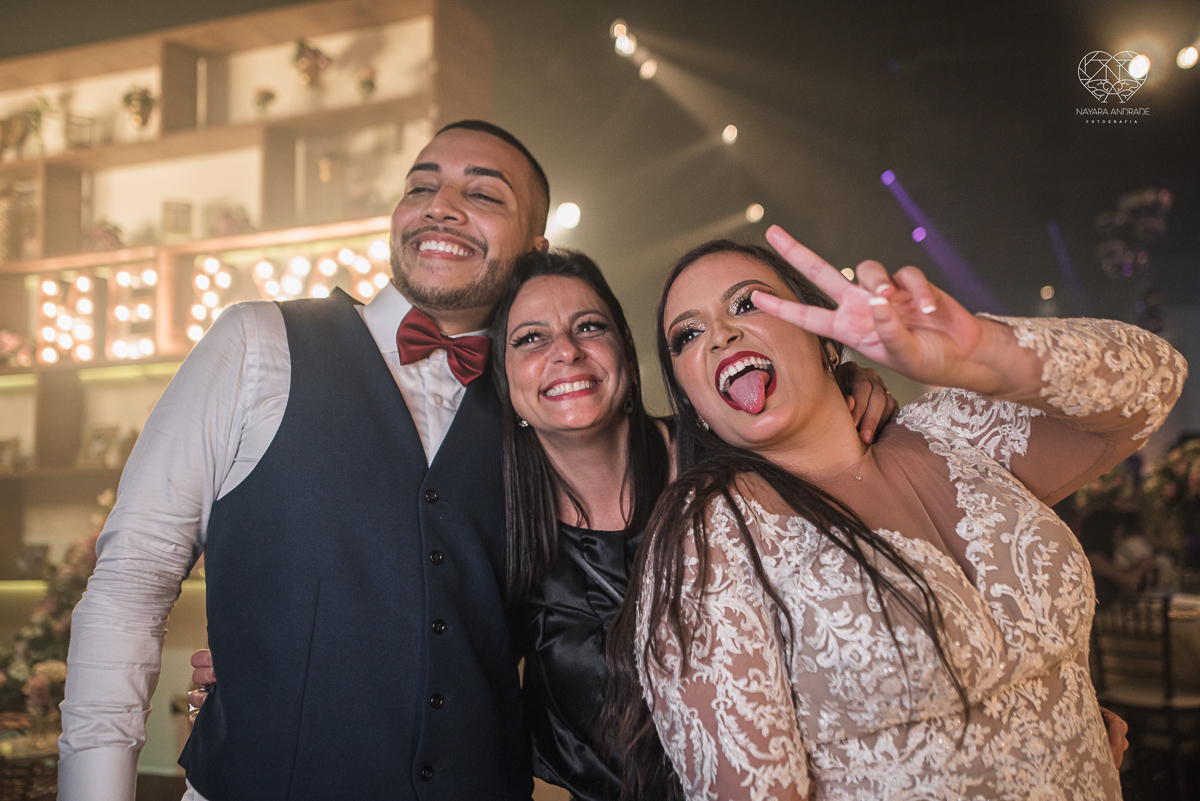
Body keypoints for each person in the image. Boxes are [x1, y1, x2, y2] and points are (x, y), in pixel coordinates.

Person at [187, 248, 897, 800]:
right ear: (507, 383)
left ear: (625, 349)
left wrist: (853, 389)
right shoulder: (493, 521)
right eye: (530, 338)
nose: (566, 352)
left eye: (589, 327)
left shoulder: (724, 457)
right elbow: (406, 627)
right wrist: (262, 667)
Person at [59, 120, 552, 801]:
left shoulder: (543, 412)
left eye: (485, 194)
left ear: (537, 249)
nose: (441, 204)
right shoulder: (255, 343)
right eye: (422, 185)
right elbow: (130, 582)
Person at [607, 227, 1182, 800]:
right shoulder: (715, 534)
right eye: (687, 334)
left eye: (749, 303)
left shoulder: (952, 431)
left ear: (826, 337)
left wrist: (978, 351)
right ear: (695, 405)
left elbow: (1155, 380)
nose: (720, 334)